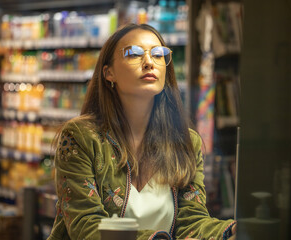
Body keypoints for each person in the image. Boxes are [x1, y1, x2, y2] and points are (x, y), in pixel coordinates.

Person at [47, 23, 236, 240]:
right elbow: (86, 225)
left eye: (158, 54)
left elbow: (191, 221)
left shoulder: (186, 141)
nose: (149, 62)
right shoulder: (81, 137)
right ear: (109, 73)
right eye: (134, 54)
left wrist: (230, 230)